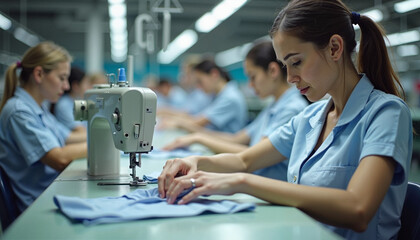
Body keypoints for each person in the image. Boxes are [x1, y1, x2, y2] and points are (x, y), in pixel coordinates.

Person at [157, 1, 413, 239]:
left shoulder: (386, 113)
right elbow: (244, 159)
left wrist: (242, 182)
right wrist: (194, 160)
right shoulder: (311, 117)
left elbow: (358, 208)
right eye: (285, 65)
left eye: (297, 62)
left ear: (335, 48)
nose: (290, 77)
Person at [163, 41, 308, 180]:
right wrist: (198, 137)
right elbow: (237, 139)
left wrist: (198, 138)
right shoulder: (275, 105)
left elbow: (250, 157)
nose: (250, 85)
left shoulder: (290, 109)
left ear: (272, 71)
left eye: (253, 77)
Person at [0, 41, 87, 212]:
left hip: (52, 193)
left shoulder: (40, 108)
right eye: (62, 78)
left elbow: (69, 138)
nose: (66, 86)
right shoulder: (19, 112)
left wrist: (109, 132)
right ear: (39, 74)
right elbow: (59, 159)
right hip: (38, 205)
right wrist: (107, 144)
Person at [159, 59, 248, 133]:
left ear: (214, 74)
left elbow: (198, 122)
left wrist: (175, 123)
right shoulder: (216, 95)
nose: (198, 86)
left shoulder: (229, 97)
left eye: (200, 81)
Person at [52, 66, 90, 131]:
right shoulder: (64, 104)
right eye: (86, 84)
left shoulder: (80, 102)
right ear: (76, 86)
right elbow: (80, 130)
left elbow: (86, 126)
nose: (88, 88)